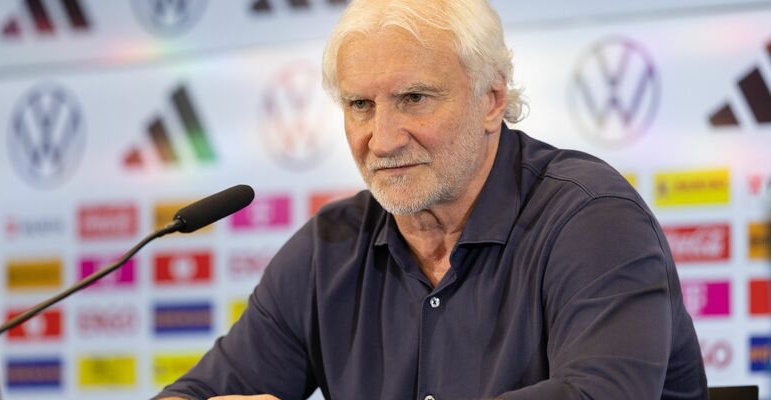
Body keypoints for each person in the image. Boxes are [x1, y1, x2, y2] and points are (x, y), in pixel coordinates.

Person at [155, 0, 708, 399]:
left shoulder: (591, 219)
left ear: (492, 99)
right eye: (360, 105)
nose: (384, 138)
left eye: (414, 98)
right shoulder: (330, 247)